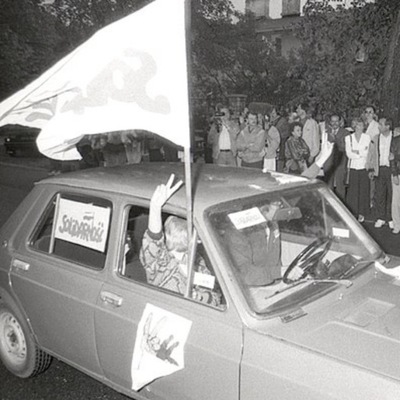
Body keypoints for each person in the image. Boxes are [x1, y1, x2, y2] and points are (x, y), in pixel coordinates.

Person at [139, 175, 220, 306]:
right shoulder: (161, 261)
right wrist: (155, 208)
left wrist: (200, 297)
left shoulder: (195, 259)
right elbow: (153, 240)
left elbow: (214, 295)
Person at [366, 117, 394, 229]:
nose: (378, 126)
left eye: (381, 124)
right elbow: (371, 155)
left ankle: (391, 218)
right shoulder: (375, 138)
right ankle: (381, 218)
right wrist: (371, 169)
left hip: (392, 170)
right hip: (380, 169)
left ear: (387, 126)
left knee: (392, 195)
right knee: (380, 195)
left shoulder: (396, 136)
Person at [345, 118, 371, 222]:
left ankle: (361, 213)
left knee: (363, 191)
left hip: (364, 167)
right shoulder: (348, 138)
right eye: (357, 125)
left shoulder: (367, 137)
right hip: (353, 168)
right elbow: (349, 154)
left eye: (361, 125)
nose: (359, 127)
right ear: (354, 126)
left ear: (364, 126)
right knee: (353, 192)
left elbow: (367, 153)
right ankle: (353, 212)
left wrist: (356, 152)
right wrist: (360, 153)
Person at [322, 113, 350, 201]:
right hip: (328, 162)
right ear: (330, 122)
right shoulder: (326, 132)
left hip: (340, 162)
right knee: (328, 186)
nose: (334, 124)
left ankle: (342, 206)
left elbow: (345, 148)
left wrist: (335, 139)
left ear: (340, 122)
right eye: (332, 121)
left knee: (340, 185)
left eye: (336, 121)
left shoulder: (345, 133)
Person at [270, 107, 290, 172]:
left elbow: (285, 132)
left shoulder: (282, 120)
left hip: (281, 143)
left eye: (273, 112)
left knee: (280, 162)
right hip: (274, 143)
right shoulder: (271, 120)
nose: (272, 114)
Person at [390, 127, 400, 234]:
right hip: (398, 173)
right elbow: (392, 158)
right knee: (396, 201)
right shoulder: (396, 141)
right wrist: (395, 174)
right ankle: (397, 224)